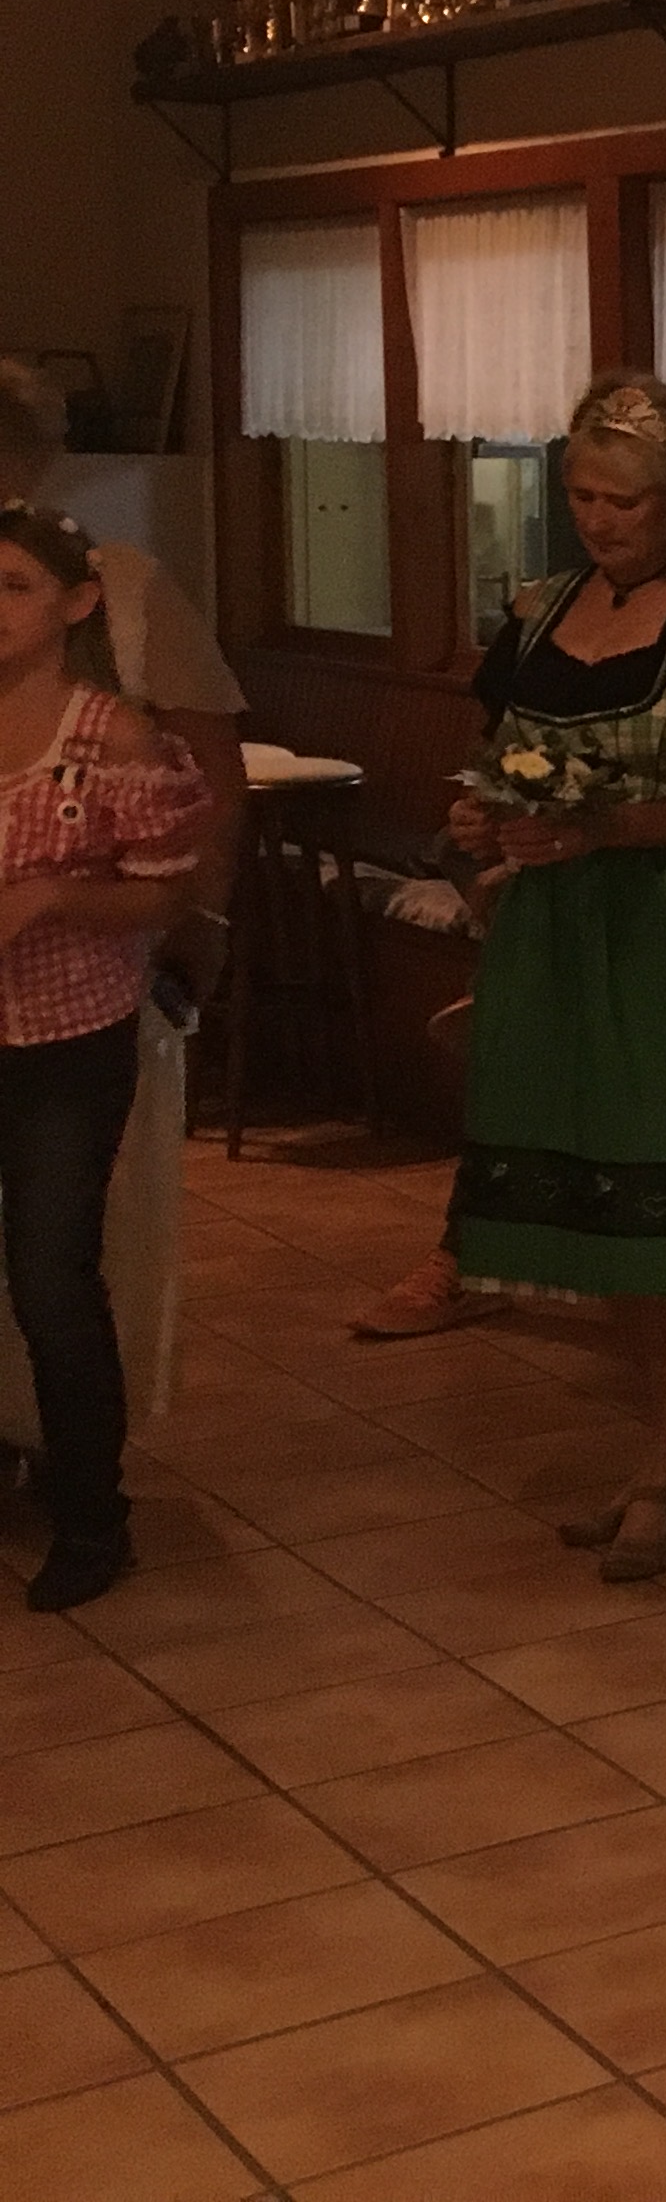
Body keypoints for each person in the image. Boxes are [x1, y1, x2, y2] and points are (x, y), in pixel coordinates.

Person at [437, 375, 666, 1581]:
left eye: (623, 500)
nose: (598, 519)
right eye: (581, 495)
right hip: (550, 935)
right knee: (595, 1200)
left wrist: (606, 830)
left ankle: (663, 1473)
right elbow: (490, 755)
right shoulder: (539, 609)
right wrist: (482, 819)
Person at [0, 366, 247, 1463]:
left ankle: (73, 1470)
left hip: (90, 987)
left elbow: (216, 781)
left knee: (66, 1248)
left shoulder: (123, 587)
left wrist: (201, 929)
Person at [0, 501, 214, 1610]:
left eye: (13, 588)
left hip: (64, 1040)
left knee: (51, 1274)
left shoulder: (110, 739)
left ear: (76, 602)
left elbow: (165, 891)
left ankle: (93, 1516)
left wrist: (52, 898)